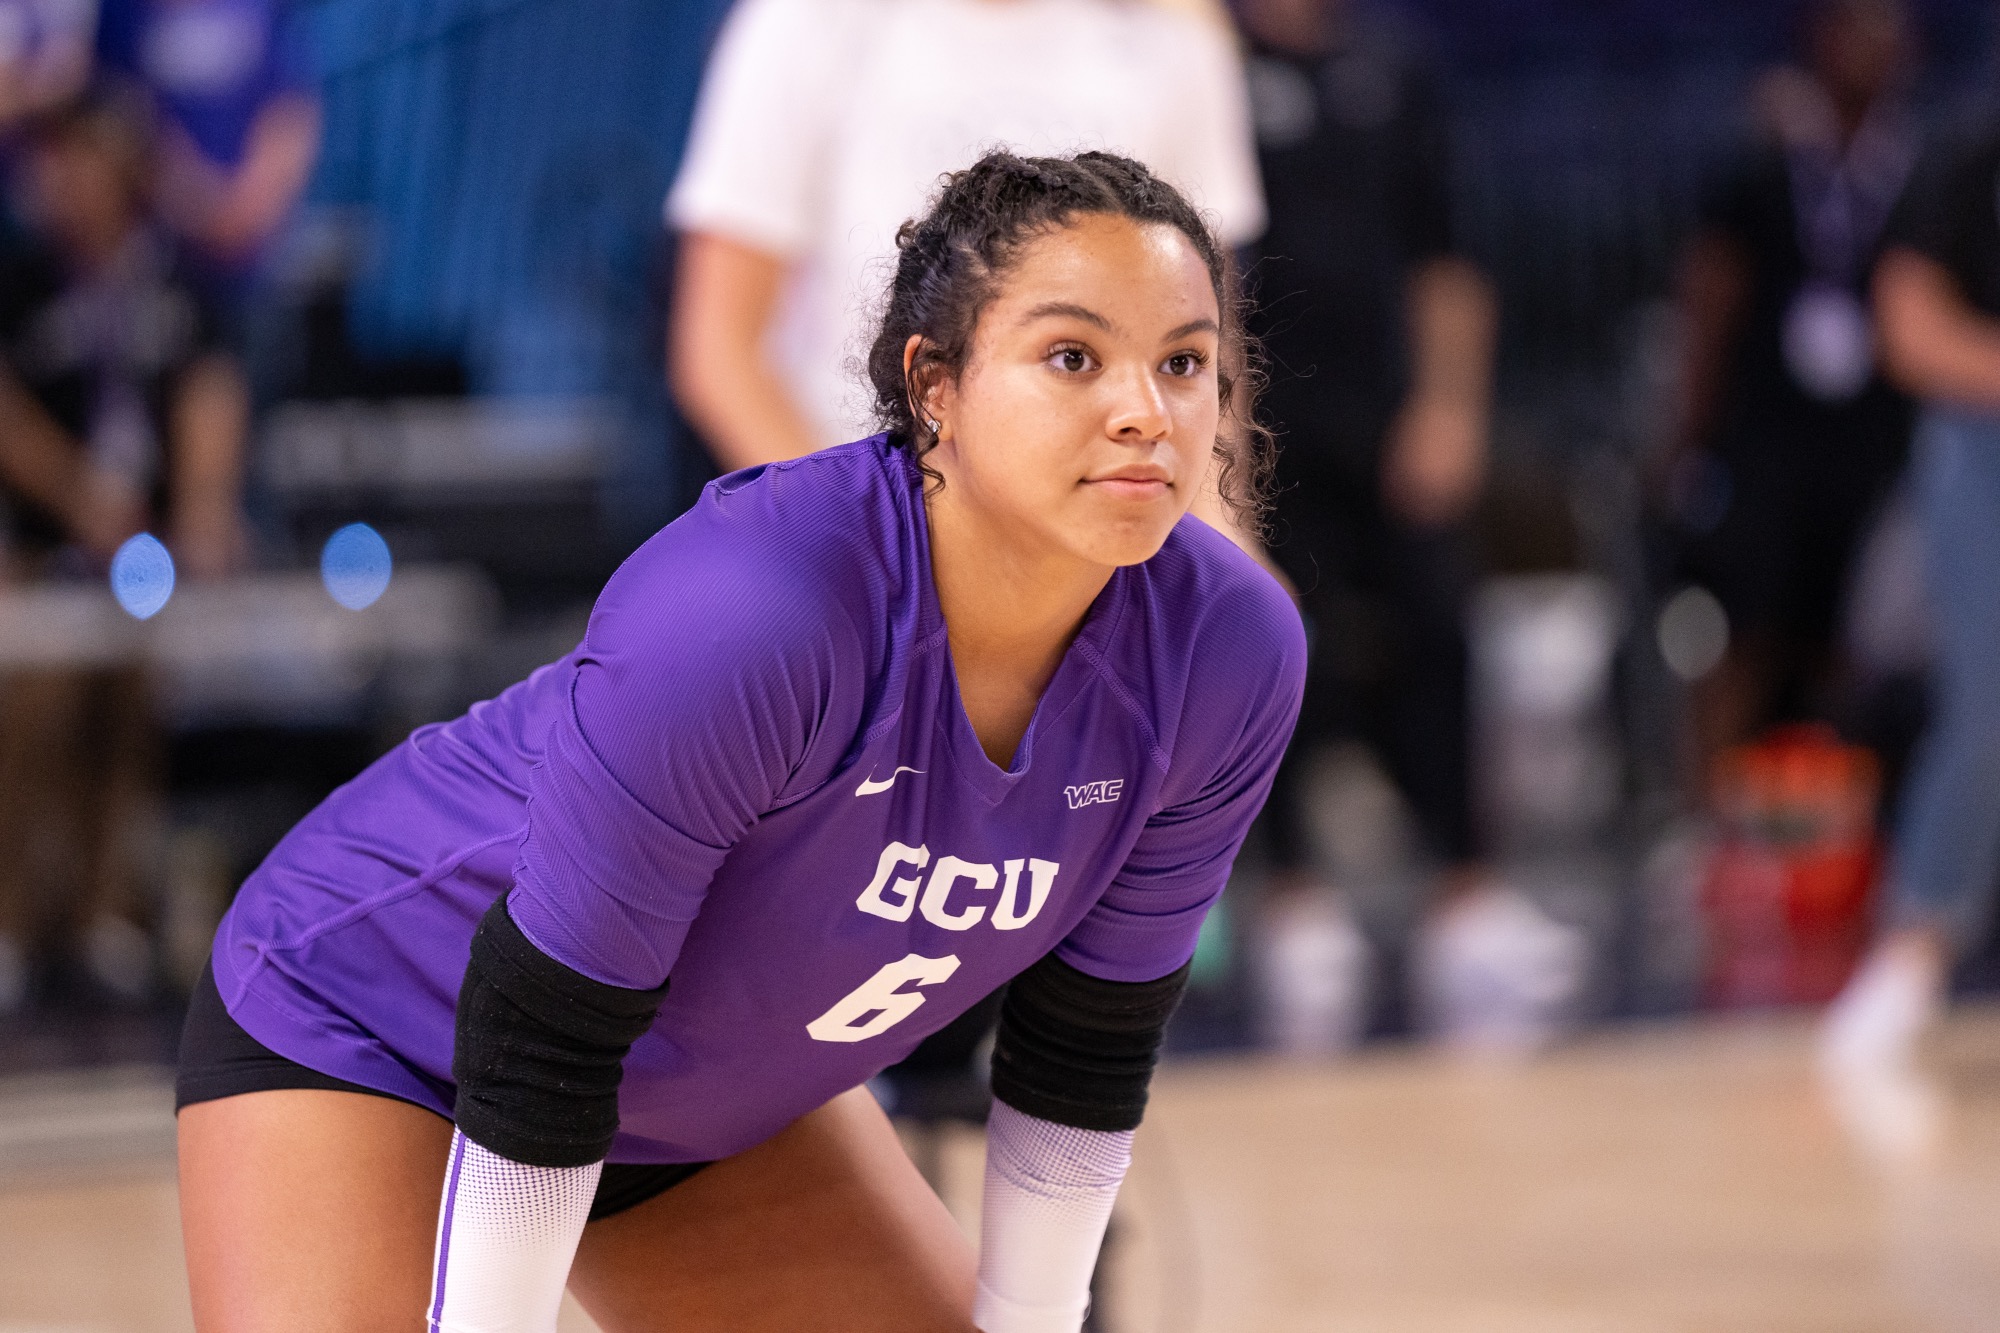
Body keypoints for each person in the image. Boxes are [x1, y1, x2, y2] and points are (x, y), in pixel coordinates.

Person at [176, 151, 1304, 1333]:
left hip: (700, 1108)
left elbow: (1082, 1057)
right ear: (937, 387)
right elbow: (544, 1033)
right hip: (382, 1018)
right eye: (1072, 358)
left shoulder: (1227, 650)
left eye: (1183, 363)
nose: (1144, 410)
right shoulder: (756, 608)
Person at [666, 0, 1263, 471]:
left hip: (1097, 537)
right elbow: (722, 349)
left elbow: (1207, 347)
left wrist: (1221, 548)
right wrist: (855, 547)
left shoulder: (1171, 44)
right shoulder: (807, 25)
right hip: (861, 505)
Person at [1233, 0, 1501, 953]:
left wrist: (1452, 407)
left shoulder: (1394, 69)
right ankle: (1292, 897)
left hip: (1391, 415)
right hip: (1258, 421)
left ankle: (1469, 892)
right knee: (1270, 643)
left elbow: (1448, 257)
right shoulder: (1206, 55)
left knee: (1441, 628)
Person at [0, 88, 248, 1011]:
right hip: (37, 547)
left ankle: (111, 919)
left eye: (86, 161)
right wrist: (76, 496)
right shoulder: (23, 277)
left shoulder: (173, 281)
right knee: (34, 720)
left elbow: (210, 391)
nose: (64, 181)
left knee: (130, 719)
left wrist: (205, 506)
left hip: (147, 555)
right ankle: (17, 924)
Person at [1670, 0, 1921, 778]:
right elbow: (1711, 299)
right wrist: (1686, 434)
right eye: (1856, 27)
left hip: (1879, 444)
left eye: (1888, 30)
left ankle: (1842, 828)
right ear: (1819, 37)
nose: (1872, 47)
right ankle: (1711, 829)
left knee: (1855, 645)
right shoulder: (1760, 158)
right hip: (1766, 440)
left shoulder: (1918, 167)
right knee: (1747, 634)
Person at [1819, 109, 2000, 1083]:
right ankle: (1913, 948)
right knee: (1983, 710)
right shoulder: (1967, 150)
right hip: (1982, 442)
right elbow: (1909, 328)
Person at [91, 0, 318, 284]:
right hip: (144, 258)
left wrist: (244, 213)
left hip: (256, 258)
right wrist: (188, 197)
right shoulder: (118, 12)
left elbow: (289, 110)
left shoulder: (264, 11)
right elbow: (110, 110)